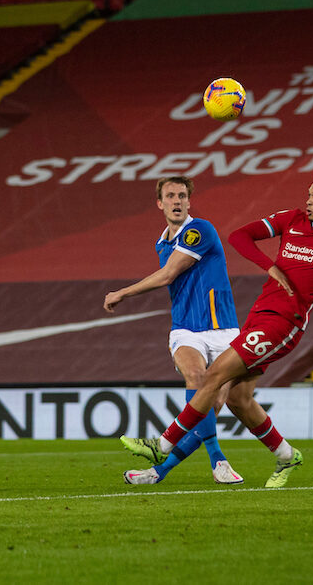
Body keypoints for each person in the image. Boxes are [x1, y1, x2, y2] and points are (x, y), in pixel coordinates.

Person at [121, 172, 313, 487]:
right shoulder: (292, 220)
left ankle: (162, 446)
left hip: (285, 323)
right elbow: (240, 236)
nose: (308, 201)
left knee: (214, 375)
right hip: (258, 315)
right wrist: (269, 266)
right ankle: (286, 456)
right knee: (239, 399)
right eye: (309, 194)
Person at [103, 176, 243, 485]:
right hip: (186, 330)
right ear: (160, 203)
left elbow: (168, 275)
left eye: (182, 195)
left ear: (189, 202)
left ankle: (157, 472)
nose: (177, 201)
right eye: (170, 196)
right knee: (196, 378)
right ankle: (218, 460)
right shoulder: (162, 242)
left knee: (208, 409)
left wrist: (122, 293)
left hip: (223, 330)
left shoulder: (200, 230)